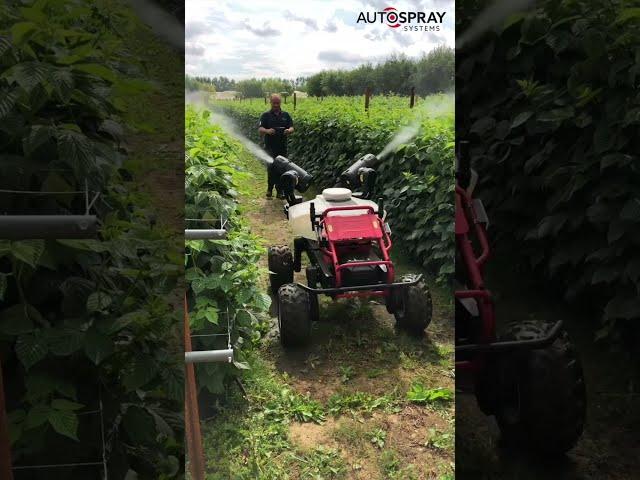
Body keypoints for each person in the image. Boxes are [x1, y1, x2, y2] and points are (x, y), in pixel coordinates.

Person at [258, 94, 294, 197]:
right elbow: (260, 129)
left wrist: (288, 130)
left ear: (280, 103)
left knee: (281, 169)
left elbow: (292, 127)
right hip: (270, 147)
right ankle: (269, 189)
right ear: (270, 103)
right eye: (274, 103)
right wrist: (267, 130)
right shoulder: (265, 115)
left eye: (278, 103)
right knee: (271, 168)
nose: (276, 105)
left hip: (282, 147)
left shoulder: (286, 115)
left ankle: (279, 191)